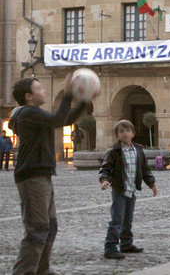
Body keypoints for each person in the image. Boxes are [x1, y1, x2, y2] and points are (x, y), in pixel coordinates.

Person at [8, 74, 89, 275]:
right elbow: (59, 119)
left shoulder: (33, 114)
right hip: (32, 176)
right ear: (29, 96)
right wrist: (69, 96)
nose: (44, 91)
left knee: (50, 225)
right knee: (37, 228)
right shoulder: (28, 113)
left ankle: (41, 269)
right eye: (39, 88)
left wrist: (84, 101)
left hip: (42, 174)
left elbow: (62, 119)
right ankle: (23, 272)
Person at [99, 120, 157, 260]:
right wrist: (104, 180)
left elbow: (144, 169)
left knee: (128, 220)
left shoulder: (138, 150)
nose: (125, 133)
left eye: (127, 131)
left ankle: (126, 243)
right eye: (121, 131)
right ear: (117, 136)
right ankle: (110, 247)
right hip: (119, 190)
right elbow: (105, 168)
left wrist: (152, 183)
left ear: (133, 133)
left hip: (131, 190)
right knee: (117, 220)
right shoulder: (114, 152)